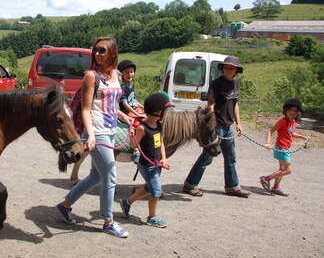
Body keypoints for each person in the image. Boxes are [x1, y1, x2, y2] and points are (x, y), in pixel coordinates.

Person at [56, 37, 133, 238]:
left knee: (96, 175)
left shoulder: (116, 75)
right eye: (96, 50)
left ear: (113, 53)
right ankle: (108, 221)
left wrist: (124, 115)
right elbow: (86, 108)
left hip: (111, 130)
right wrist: (89, 135)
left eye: (102, 50)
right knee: (110, 173)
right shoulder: (91, 76)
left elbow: (112, 104)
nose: (98, 53)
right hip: (96, 131)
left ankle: (65, 205)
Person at [183, 55, 251, 198]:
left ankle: (232, 187)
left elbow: (235, 104)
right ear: (223, 69)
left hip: (229, 127)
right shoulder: (216, 84)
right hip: (217, 127)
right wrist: (211, 127)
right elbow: (211, 106)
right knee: (207, 157)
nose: (228, 70)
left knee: (231, 158)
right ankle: (190, 185)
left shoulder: (235, 84)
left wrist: (238, 123)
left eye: (231, 68)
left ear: (236, 70)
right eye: (226, 67)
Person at [120, 92, 171, 227]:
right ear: (157, 111)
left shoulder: (159, 126)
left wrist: (164, 159)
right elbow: (132, 145)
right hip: (147, 166)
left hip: (157, 165)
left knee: (149, 188)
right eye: (165, 110)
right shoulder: (143, 128)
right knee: (156, 191)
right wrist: (132, 134)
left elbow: (160, 143)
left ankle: (127, 202)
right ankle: (152, 217)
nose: (166, 113)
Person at [259, 98, 310, 196]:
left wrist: (303, 137)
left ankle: (276, 187)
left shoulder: (292, 122)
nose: (292, 112)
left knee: (282, 169)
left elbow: (291, 133)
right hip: (281, 148)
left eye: (295, 111)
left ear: (298, 112)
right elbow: (270, 131)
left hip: (286, 148)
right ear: (285, 110)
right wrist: (268, 142)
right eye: (290, 110)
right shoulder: (282, 121)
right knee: (288, 170)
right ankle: (266, 178)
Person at [117, 59, 146, 162]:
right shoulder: (123, 88)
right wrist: (136, 113)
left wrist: (143, 107)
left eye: (131, 72)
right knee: (136, 124)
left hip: (134, 110)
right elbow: (125, 103)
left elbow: (133, 100)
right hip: (127, 112)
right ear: (121, 74)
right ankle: (135, 151)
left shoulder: (131, 86)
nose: (129, 74)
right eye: (126, 72)